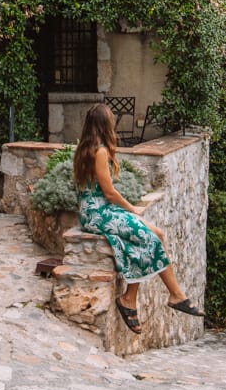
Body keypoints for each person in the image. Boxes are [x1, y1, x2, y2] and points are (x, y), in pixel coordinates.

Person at [73, 102, 204, 334]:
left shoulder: (85, 148)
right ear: (105, 125)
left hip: (96, 211)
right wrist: (132, 209)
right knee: (149, 239)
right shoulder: (100, 151)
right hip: (98, 213)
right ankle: (175, 295)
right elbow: (109, 192)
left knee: (157, 234)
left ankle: (133, 297)